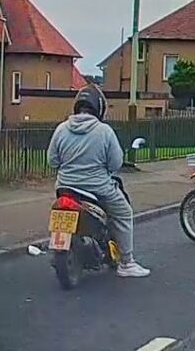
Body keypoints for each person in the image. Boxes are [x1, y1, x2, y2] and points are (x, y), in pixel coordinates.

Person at [47, 85, 150, 277]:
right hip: (98, 189)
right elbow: (115, 163)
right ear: (99, 108)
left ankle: (60, 246)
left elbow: (52, 161)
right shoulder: (104, 131)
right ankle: (127, 263)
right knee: (124, 213)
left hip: (65, 187)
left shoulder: (61, 129)